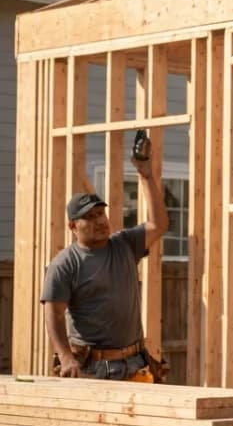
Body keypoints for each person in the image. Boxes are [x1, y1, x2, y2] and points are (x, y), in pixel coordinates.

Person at [40, 135, 169, 382]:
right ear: (72, 226)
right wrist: (65, 357)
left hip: (134, 363)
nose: (100, 220)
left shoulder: (125, 244)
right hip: (92, 368)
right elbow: (54, 314)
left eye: (101, 213)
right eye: (90, 217)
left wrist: (145, 175)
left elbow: (158, 224)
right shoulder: (65, 264)